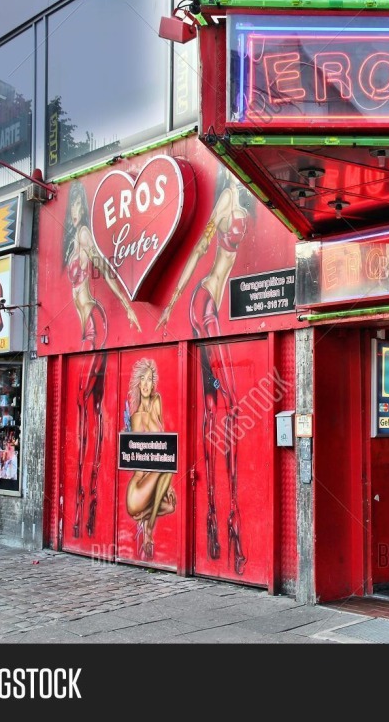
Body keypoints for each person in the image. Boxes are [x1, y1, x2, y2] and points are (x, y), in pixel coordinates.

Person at [156, 169, 252, 575]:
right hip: (205, 302)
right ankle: (227, 518)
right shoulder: (226, 200)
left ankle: (216, 518)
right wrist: (171, 303)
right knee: (230, 405)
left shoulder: (246, 200)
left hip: (213, 303)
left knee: (216, 411)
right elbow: (198, 252)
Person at [64, 180, 141, 539]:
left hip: (94, 325)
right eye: (74, 204)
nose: (76, 210)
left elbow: (106, 272)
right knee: (90, 416)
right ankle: (88, 506)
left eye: (80, 204)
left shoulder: (83, 235)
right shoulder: (70, 243)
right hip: (83, 330)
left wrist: (128, 306)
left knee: (86, 411)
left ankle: (88, 501)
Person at [123, 358, 176, 560]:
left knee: (171, 506)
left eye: (150, 379)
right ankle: (149, 528)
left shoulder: (157, 401)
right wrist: (164, 484)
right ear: (138, 384)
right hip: (137, 490)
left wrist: (165, 486)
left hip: (150, 484)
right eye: (143, 380)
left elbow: (163, 443)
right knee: (167, 464)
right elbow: (145, 459)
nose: (146, 384)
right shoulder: (136, 417)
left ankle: (145, 519)